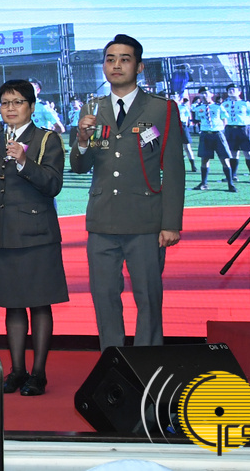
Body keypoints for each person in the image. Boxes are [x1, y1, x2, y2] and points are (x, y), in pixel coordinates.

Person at [72, 35, 184, 351]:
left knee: (148, 297)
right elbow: (80, 165)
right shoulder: (92, 108)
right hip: (102, 220)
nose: (116, 65)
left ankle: (148, 364)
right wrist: (82, 139)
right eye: (110, 59)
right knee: (104, 297)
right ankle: (113, 362)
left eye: (124, 59)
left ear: (139, 66)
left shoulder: (161, 109)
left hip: (145, 221)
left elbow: (173, 169)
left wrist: (170, 223)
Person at [0, 81, 66, 397]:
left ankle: (38, 373)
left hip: (37, 234)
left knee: (39, 304)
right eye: (5, 103)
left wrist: (25, 162)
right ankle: (17, 370)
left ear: (31, 106)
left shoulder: (46, 140)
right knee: (11, 305)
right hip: (1, 236)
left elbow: (53, 184)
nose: (10, 108)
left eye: (17, 102)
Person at [192, 87, 235, 192]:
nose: (204, 95)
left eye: (206, 93)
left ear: (211, 94)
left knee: (224, 159)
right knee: (204, 159)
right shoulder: (198, 108)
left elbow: (224, 119)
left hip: (217, 134)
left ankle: (230, 184)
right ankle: (204, 183)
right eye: (202, 93)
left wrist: (220, 130)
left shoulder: (218, 107)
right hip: (205, 135)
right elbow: (198, 119)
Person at [223, 84, 250, 185]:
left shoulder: (245, 103)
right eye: (229, 90)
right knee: (233, 152)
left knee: (248, 152)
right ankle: (233, 175)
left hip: (243, 129)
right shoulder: (224, 104)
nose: (231, 91)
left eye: (233, 89)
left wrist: (248, 126)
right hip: (230, 129)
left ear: (239, 92)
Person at [171, 93, 198, 173]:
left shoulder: (183, 107)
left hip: (182, 126)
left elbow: (187, 117)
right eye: (172, 97)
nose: (173, 98)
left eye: (175, 97)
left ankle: (193, 165)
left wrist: (185, 126)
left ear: (178, 98)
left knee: (187, 147)